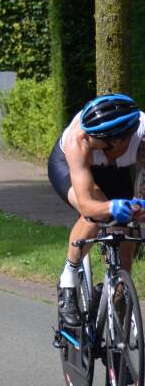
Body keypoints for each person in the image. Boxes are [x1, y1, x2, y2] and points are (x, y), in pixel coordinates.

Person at [49, 94, 145, 326]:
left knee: (127, 233)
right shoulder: (79, 140)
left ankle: (117, 298)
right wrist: (109, 207)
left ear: (119, 141)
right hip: (68, 166)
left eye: (96, 143)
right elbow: (87, 203)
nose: (89, 141)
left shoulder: (142, 140)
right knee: (94, 215)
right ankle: (68, 281)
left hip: (117, 170)